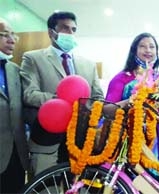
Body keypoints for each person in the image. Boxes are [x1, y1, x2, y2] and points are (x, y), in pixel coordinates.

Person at [20, 11, 104, 176]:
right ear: (52, 32)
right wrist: (60, 102)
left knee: (77, 187)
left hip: (81, 142)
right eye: (65, 29)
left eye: (74, 30)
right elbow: (29, 94)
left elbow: (98, 98)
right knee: (45, 188)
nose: (71, 33)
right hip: (46, 140)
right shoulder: (33, 58)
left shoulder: (88, 65)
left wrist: (85, 107)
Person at [105, 32, 159, 163]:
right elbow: (107, 109)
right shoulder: (122, 78)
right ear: (134, 51)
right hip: (130, 140)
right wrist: (130, 102)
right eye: (142, 46)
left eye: (152, 46)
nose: (148, 50)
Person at [0, 17, 29, 193]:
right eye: (4, 35)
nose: (12, 40)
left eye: (13, 35)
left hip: (16, 154)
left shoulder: (15, 69)